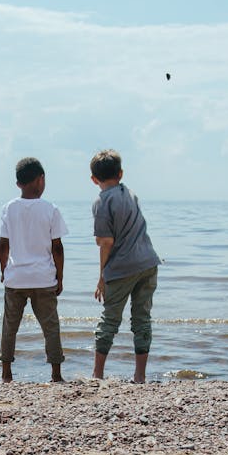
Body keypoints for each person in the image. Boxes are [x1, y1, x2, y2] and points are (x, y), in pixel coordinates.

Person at [89, 149, 161, 383]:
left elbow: (106, 242)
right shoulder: (130, 194)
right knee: (142, 319)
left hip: (122, 267)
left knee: (109, 319)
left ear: (93, 179)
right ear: (120, 174)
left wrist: (101, 276)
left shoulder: (102, 202)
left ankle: (97, 374)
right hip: (148, 261)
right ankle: (139, 376)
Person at [0, 157, 68, 383]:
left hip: (16, 278)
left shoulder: (9, 208)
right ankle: (56, 374)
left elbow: (3, 245)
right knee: (50, 327)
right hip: (43, 278)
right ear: (41, 179)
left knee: (10, 327)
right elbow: (57, 248)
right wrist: (60, 275)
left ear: (18, 183)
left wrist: (3, 270)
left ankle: (6, 373)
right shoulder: (50, 209)